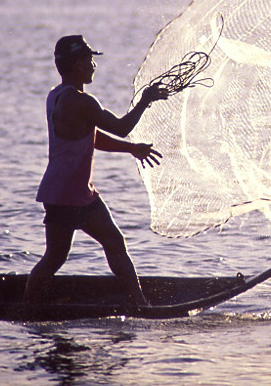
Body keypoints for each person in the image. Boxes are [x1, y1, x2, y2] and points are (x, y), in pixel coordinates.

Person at [24, 35, 168, 307]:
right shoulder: (82, 101)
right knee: (55, 257)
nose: (93, 66)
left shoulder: (55, 95)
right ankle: (27, 308)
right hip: (65, 195)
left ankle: (140, 304)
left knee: (114, 241)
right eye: (90, 61)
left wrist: (130, 149)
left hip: (79, 194)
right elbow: (122, 126)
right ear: (78, 65)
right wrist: (145, 100)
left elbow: (90, 135)